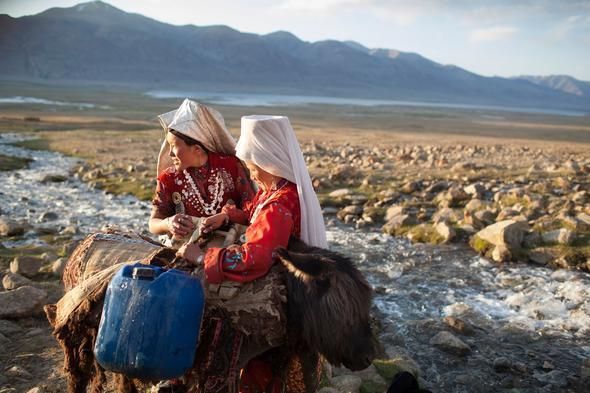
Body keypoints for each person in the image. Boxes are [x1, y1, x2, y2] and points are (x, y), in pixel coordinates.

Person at [177, 114, 328, 392]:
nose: (251, 172)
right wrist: (228, 216)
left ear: (269, 160)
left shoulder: (279, 205)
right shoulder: (280, 189)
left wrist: (202, 258)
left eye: (252, 165)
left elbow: (255, 258)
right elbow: (255, 211)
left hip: (278, 297)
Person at [148, 99, 255, 243]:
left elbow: (253, 210)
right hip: (186, 247)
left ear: (197, 149)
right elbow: (153, 223)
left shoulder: (230, 166)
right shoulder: (169, 178)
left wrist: (227, 216)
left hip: (230, 244)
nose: (170, 154)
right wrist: (168, 223)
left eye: (173, 146)